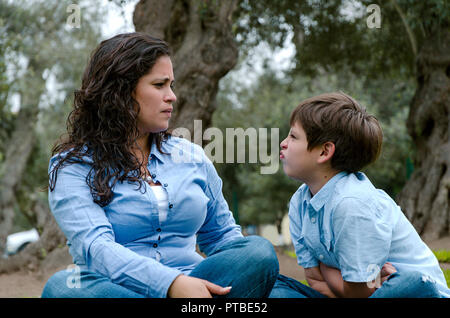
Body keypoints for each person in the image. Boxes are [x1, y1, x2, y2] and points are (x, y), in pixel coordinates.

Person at [41, 32, 279, 298]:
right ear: (120, 92)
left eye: (172, 85)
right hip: (116, 290)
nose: (172, 97)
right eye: (159, 85)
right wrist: (171, 284)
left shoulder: (192, 157)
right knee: (64, 287)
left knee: (257, 252)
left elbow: (223, 238)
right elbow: (96, 248)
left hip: (197, 285)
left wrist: (245, 272)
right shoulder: (73, 165)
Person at [270, 92, 449, 298]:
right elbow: (315, 280)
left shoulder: (352, 204)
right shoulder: (298, 203)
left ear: (324, 152)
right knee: (271, 286)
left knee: (412, 283)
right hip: (362, 293)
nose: (283, 143)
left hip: (408, 292)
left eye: (293, 136)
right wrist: (342, 280)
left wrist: (327, 270)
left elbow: (360, 292)